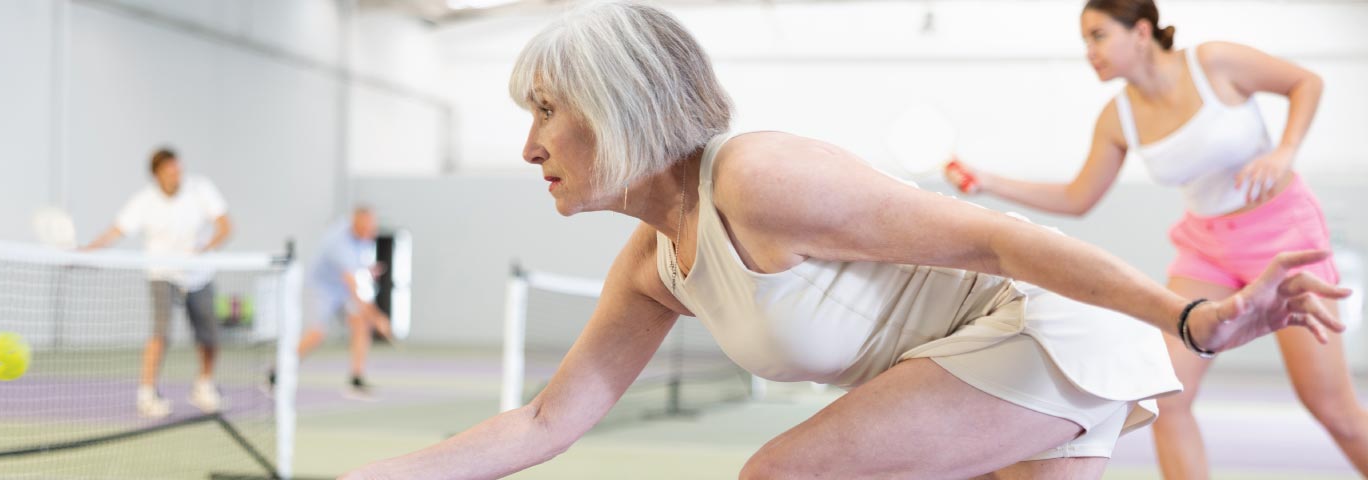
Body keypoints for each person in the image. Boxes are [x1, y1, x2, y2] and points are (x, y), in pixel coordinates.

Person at [343, 2, 1348, 478]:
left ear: (619, 109)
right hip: (966, 364)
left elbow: (1001, 242)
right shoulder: (652, 268)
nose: (528, 147)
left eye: (547, 112)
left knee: (777, 477)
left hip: (1046, 330)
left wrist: (1190, 317)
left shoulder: (758, 178)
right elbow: (540, 425)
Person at [944, 1, 1364, 477]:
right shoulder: (1116, 117)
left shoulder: (1213, 63)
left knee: (1333, 409)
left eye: (1098, 36)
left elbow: (1306, 81)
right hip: (1207, 249)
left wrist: (1285, 151)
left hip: (1283, 234)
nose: (1089, 52)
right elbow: (1079, 197)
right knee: (1166, 393)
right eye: (1084, 41)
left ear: (1141, 31)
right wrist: (989, 182)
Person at [83, 147, 233, 418]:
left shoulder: (200, 189)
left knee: (210, 335)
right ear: (156, 175)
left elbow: (225, 225)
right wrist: (88, 251)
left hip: (199, 273)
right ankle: (147, 393)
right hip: (161, 273)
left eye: (179, 168)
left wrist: (206, 248)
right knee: (160, 333)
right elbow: (117, 230)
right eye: (170, 170)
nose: (177, 174)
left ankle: (204, 385)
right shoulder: (144, 201)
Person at [269, 207, 393, 400]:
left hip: (341, 287)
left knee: (360, 323)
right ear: (356, 223)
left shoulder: (362, 238)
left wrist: (368, 271)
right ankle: (275, 375)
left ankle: (356, 380)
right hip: (321, 288)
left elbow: (356, 270)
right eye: (368, 227)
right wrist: (378, 318)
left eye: (373, 227)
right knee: (316, 334)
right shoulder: (339, 243)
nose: (372, 231)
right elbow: (354, 287)